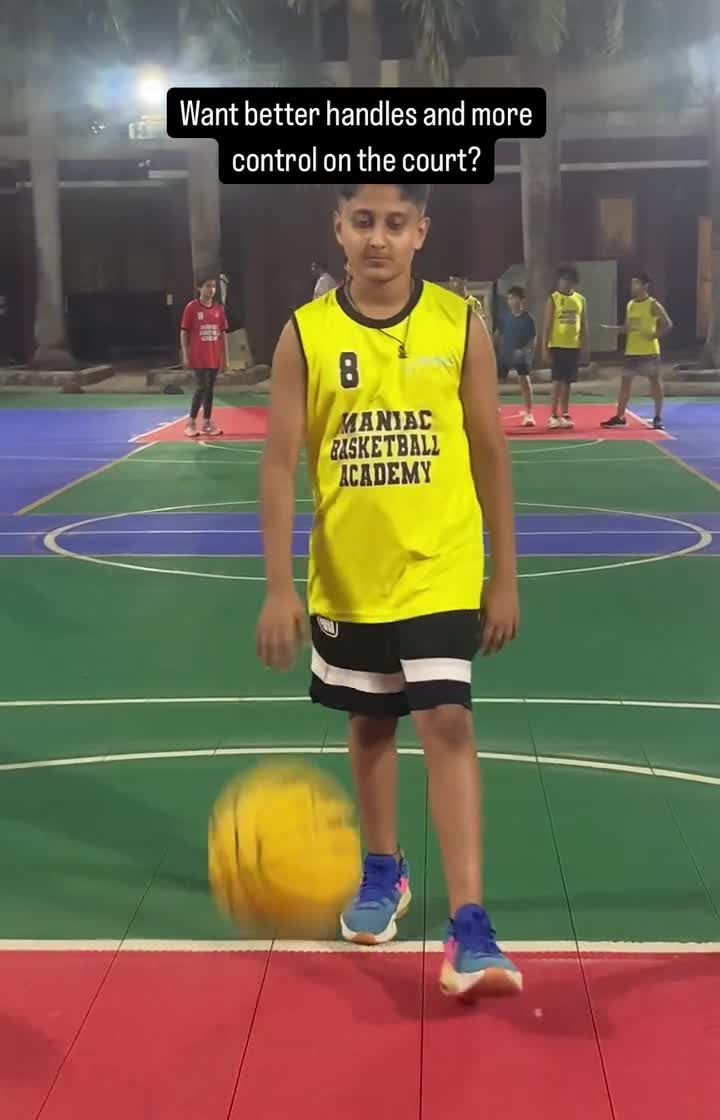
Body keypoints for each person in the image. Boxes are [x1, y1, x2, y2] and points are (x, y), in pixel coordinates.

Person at [257, 183, 522, 1000]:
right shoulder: (305, 334)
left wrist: (505, 574)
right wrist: (276, 586)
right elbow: (278, 463)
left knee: (447, 720)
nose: (379, 238)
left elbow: (490, 451)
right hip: (349, 573)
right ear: (338, 229)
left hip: (441, 564)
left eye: (395, 223)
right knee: (372, 724)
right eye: (364, 222)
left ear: (421, 233)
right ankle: (385, 869)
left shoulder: (460, 324)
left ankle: (470, 921)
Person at [601, 273, 672, 431]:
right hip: (631, 351)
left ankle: (658, 417)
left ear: (645, 285)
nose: (633, 286)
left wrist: (654, 335)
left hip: (649, 351)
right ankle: (620, 417)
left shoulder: (653, 304)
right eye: (632, 283)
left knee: (654, 382)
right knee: (625, 382)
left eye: (636, 283)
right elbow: (628, 328)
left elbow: (667, 323)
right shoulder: (630, 304)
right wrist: (612, 329)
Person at [542, 265, 589, 429]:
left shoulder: (580, 300)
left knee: (568, 382)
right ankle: (553, 415)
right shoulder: (553, 299)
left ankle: (565, 413)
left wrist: (585, 346)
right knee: (557, 380)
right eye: (562, 279)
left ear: (574, 281)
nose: (565, 283)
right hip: (557, 345)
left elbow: (584, 325)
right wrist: (544, 347)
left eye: (568, 280)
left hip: (573, 346)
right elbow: (547, 325)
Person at [180, 277, 228, 438]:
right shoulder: (191, 308)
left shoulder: (219, 309)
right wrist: (185, 354)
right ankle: (191, 423)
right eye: (207, 286)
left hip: (214, 356)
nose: (211, 289)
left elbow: (223, 334)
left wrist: (225, 358)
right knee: (202, 387)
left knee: (210, 390)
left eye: (213, 286)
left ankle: (207, 422)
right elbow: (184, 332)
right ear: (199, 288)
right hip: (199, 357)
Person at [494, 285, 536, 427]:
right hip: (504, 355)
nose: (511, 301)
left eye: (514, 298)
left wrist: (524, 351)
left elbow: (532, 340)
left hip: (520, 356)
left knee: (524, 381)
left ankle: (529, 413)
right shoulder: (503, 317)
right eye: (509, 298)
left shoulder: (528, 319)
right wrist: (492, 348)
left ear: (522, 300)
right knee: (496, 383)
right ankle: (495, 410)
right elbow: (497, 335)